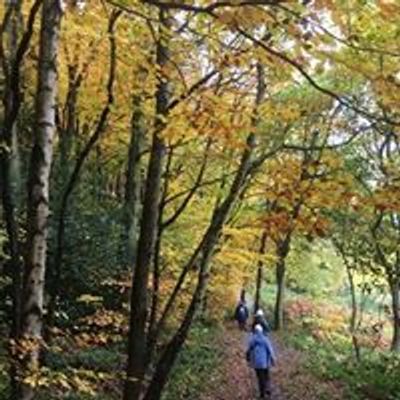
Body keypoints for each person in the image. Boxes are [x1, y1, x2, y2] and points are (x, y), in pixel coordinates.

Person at [246, 324, 276, 399]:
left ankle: (262, 394)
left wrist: (248, 359)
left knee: (260, 378)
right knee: (266, 376)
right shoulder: (265, 339)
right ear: (261, 331)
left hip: (257, 363)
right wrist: (273, 359)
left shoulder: (253, 339)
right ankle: (267, 389)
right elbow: (270, 350)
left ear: (255, 331)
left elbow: (248, 350)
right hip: (265, 362)